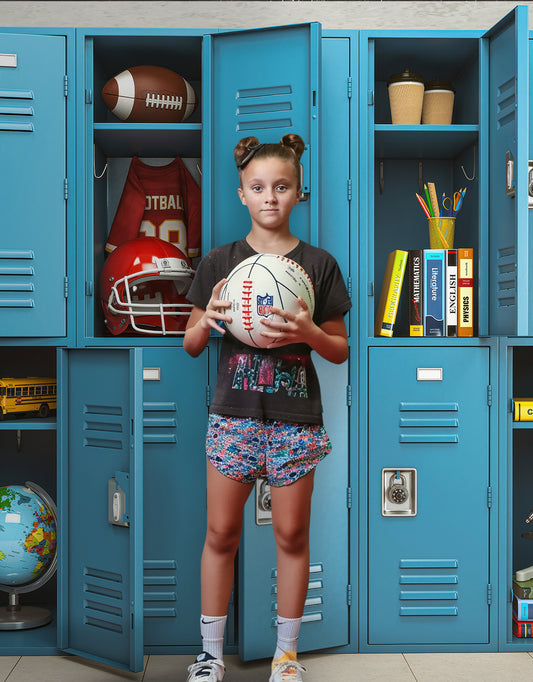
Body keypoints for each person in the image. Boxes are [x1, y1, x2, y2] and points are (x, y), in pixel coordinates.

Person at [183, 133, 351, 682]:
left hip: (294, 420)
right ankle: (210, 656)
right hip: (232, 415)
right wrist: (207, 318)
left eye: (282, 187)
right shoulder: (221, 262)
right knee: (220, 534)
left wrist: (305, 329)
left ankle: (286, 656)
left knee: (291, 537)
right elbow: (190, 343)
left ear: (298, 193)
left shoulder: (318, 265)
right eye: (258, 188)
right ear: (241, 194)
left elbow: (340, 350)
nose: (270, 197)